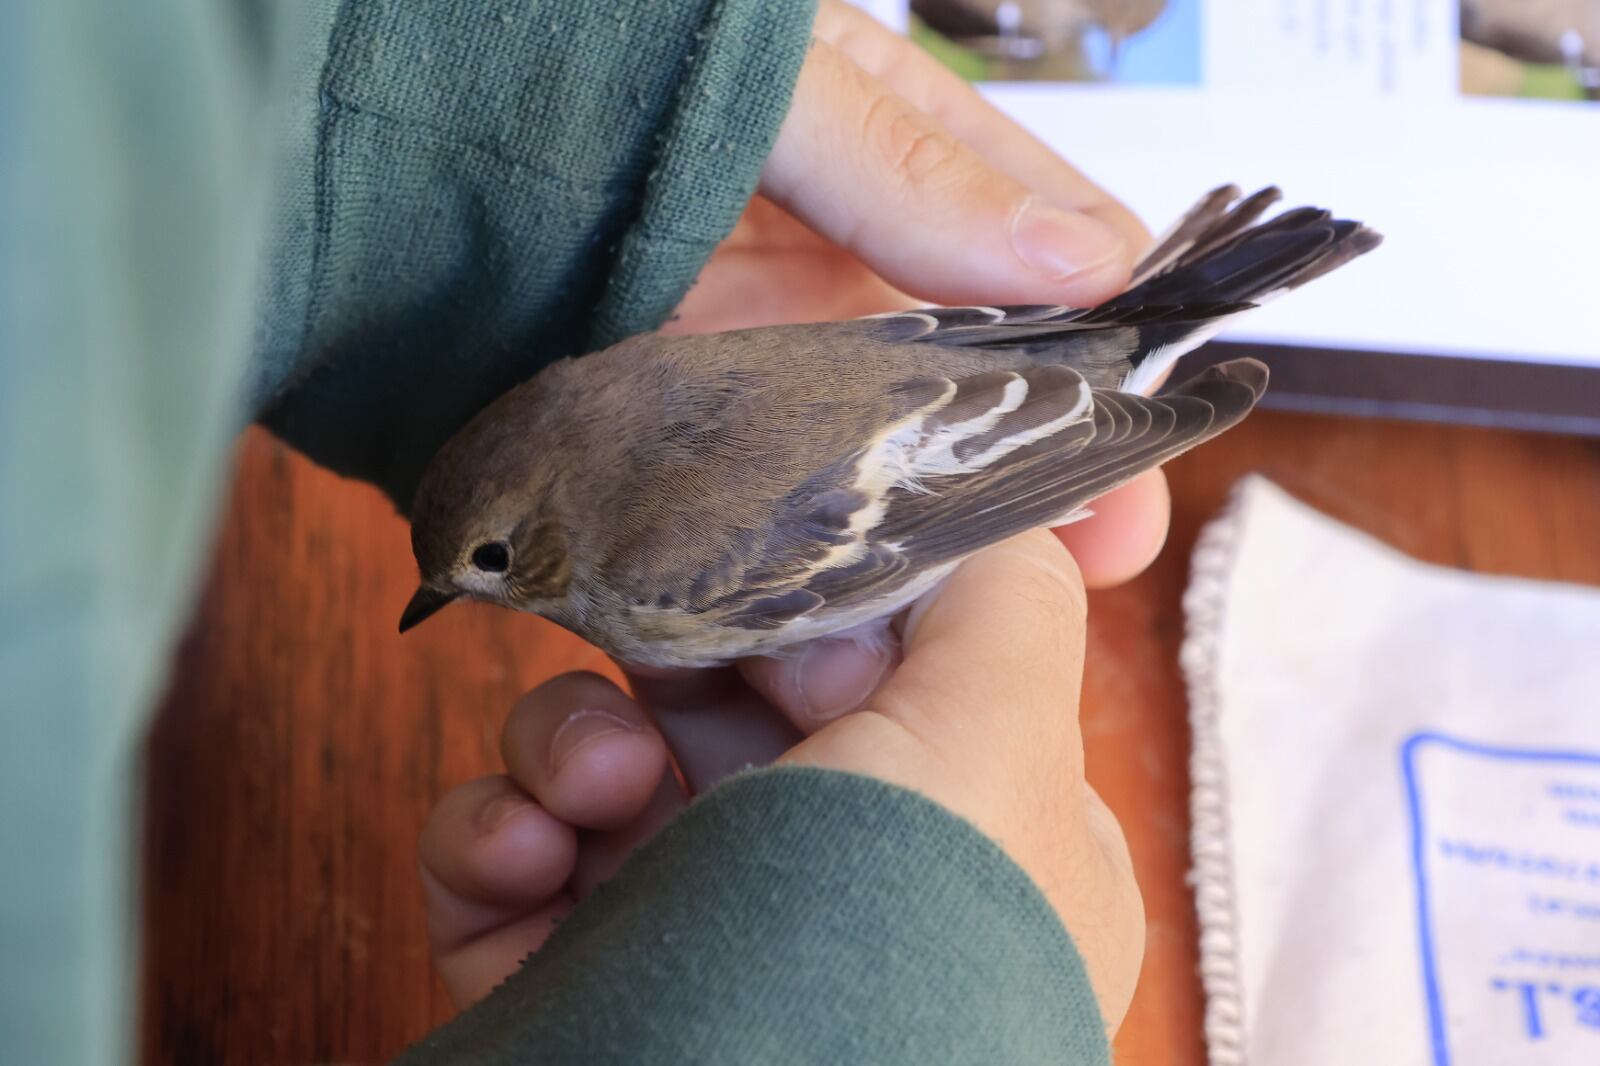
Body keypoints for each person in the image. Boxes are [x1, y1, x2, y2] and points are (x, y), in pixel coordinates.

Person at [3, 1, 1165, 1061]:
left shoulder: (650, 571)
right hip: (952, 378)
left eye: (491, 561)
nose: (478, 585)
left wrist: (931, 929)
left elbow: (893, 501)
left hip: (972, 454)